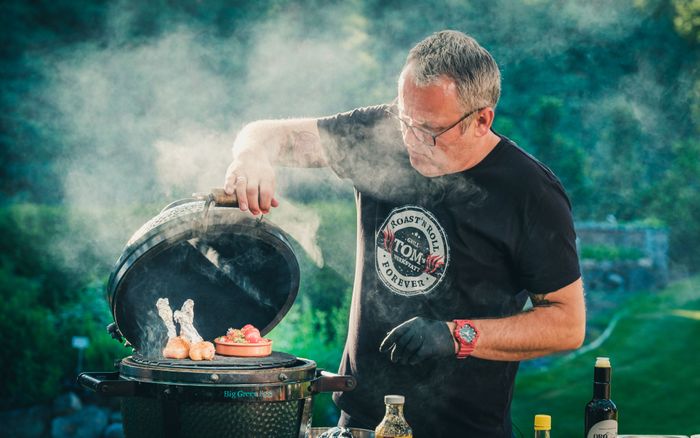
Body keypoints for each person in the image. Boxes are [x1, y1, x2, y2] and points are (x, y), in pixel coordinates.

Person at [223, 30, 585, 437]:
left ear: (482, 120)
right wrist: (250, 155)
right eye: (404, 120)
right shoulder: (384, 134)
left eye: (428, 130)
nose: (410, 141)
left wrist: (457, 335)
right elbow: (268, 133)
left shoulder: (529, 193)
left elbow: (566, 323)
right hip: (361, 423)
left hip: (465, 429)